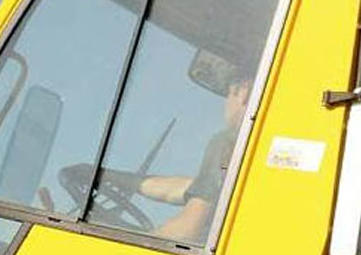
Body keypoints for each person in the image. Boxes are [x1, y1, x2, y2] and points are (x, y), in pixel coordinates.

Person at [60, 78, 251, 244]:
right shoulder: (248, 148)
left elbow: (188, 228)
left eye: (228, 95)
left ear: (242, 93)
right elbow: (185, 189)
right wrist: (105, 176)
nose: (225, 104)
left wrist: (140, 242)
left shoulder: (229, 142)